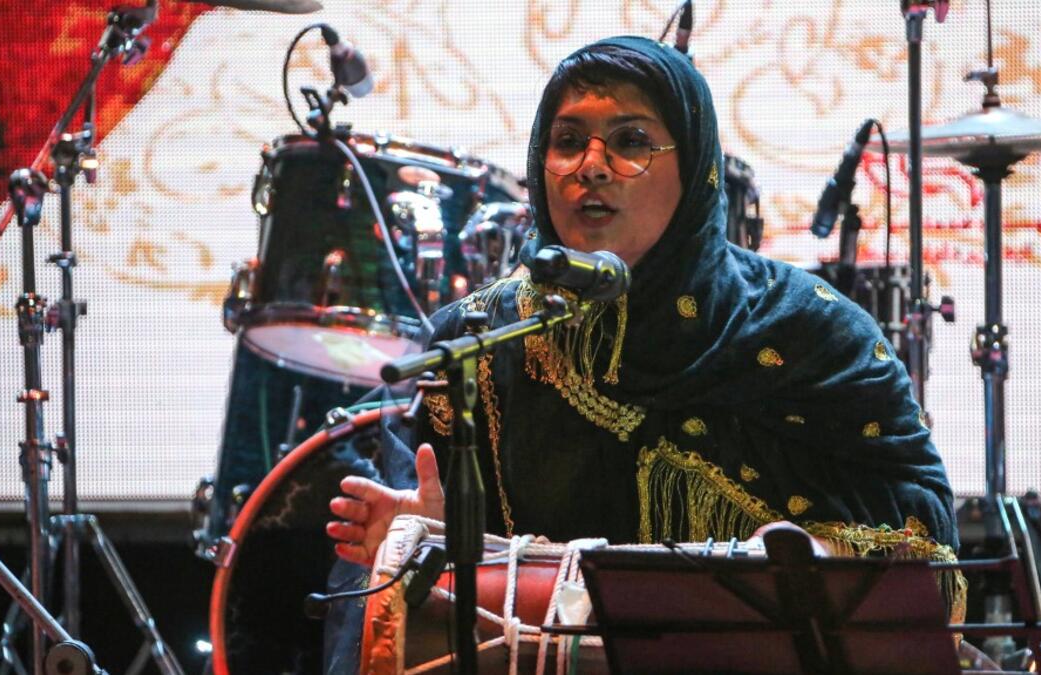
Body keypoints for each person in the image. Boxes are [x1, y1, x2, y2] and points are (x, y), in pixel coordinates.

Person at [326, 35, 963, 622]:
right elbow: (408, 595)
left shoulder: (810, 332)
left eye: (631, 142)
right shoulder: (478, 338)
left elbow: (927, 536)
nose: (592, 167)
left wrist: (813, 558)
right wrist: (431, 545)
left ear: (695, 170)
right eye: (568, 141)